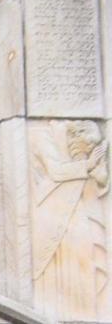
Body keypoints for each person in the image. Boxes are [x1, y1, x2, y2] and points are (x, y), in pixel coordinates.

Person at [30, 120, 109, 321]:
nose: (83, 152)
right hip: (52, 209)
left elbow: (99, 180)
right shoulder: (43, 133)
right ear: (75, 136)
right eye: (83, 147)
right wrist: (88, 165)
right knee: (58, 262)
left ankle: (83, 313)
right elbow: (55, 171)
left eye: (89, 149)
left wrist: (100, 176)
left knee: (85, 255)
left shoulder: (85, 147)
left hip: (79, 208)